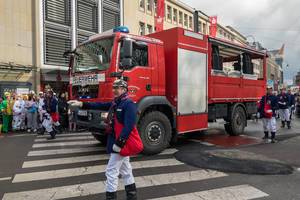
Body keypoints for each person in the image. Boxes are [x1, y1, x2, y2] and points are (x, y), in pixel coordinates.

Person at [68, 79, 142, 200]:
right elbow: (100, 105)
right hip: (115, 140)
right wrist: (82, 104)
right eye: (114, 88)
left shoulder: (129, 104)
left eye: (117, 88)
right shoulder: (116, 102)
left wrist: (119, 143)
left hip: (120, 143)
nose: (114, 90)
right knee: (126, 170)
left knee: (111, 171)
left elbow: (129, 126)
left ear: (124, 89)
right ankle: (132, 196)